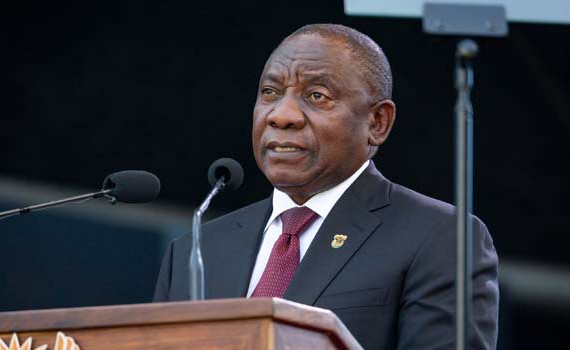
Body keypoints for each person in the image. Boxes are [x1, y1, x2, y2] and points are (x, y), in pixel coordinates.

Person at [153, 24, 499, 349]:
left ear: (377, 123)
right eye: (270, 92)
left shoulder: (439, 237)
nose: (281, 115)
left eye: (316, 96)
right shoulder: (195, 250)